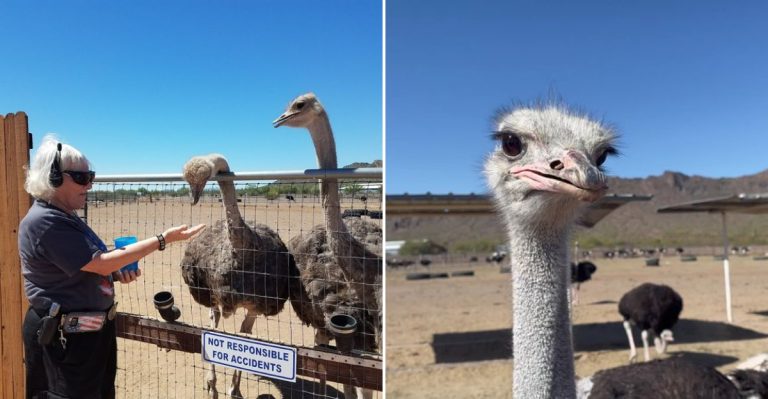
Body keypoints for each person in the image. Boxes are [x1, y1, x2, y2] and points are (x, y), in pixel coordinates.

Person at [19, 135, 205, 399]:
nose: (90, 185)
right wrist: (163, 240)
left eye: (91, 177)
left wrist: (114, 274)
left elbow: (83, 265)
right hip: (65, 339)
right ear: (55, 178)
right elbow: (100, 262)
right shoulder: (45, 221)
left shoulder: (64, 216)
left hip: (87, 335)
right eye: (82, 178)